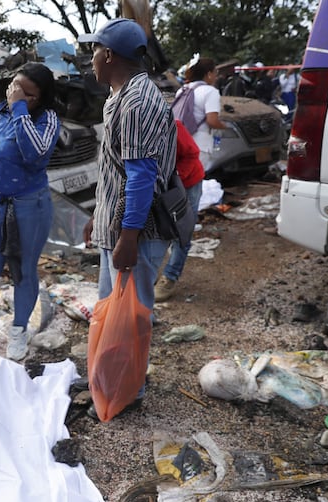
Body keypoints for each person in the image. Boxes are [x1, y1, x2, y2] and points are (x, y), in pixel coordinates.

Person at [78, 19, 177, 420]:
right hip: (119, 225)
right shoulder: (121, 96)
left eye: (93, 52)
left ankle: (125, 390)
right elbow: (116, 171)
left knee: (130, 316)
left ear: (107, 55)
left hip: (137, 229)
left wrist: (129, 237)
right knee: (115, 311)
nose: (91, 61)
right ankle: (113, 379)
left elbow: (140, 177)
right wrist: (96, 215)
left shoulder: (136, 102)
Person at [0, 62, 60, 361]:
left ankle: (19, 331)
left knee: (23, 271)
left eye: (27, 94)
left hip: (28, 207)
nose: (16, 95)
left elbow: (36, 156)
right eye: (14, 88)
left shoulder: (48, 120)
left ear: (41, 98)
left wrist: (19, 110)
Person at [154, 120, 205, 302]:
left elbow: (192, 154)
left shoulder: (171, 126)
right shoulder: (134, 129)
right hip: (162, 186)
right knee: (159, 229)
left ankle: (170, 276)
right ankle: (151, 273)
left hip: (188, 183)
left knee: (181, 231)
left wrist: (174, 183)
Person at [179, 57, 227, 169]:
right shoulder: (210, 91)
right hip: (200, 144)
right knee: (196, 179)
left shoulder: (183, 90)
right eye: (216, 72)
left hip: (182, 141)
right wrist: (224, 126)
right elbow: (212, 121)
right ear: (209, 74)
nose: (216, 76)